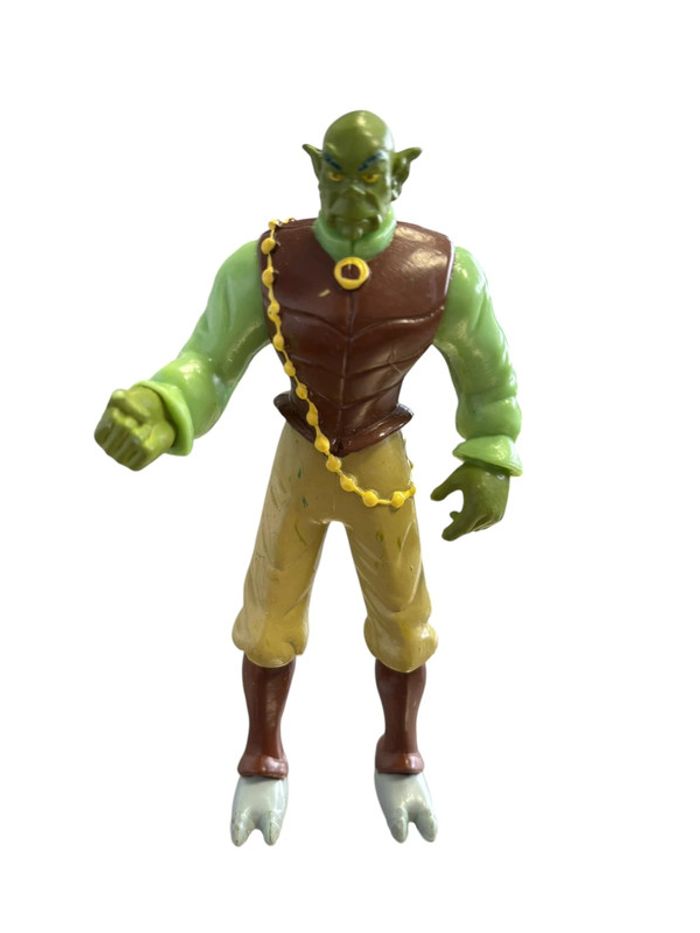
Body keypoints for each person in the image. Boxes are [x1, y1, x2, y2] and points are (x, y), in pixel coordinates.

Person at [95, 110, 522, 845]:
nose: (352, 191)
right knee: (268, 611)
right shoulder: (266, 262)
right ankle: (262, 757)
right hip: (300, 458)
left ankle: (400, 753)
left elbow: (488, 377)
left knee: (404, 618)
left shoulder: (445, 271)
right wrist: (159, 405)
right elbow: (208, 361)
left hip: (381, 461)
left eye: (369, 174)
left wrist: (490, 451)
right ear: (317, 171)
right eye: (337, 173)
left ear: (400, 173)